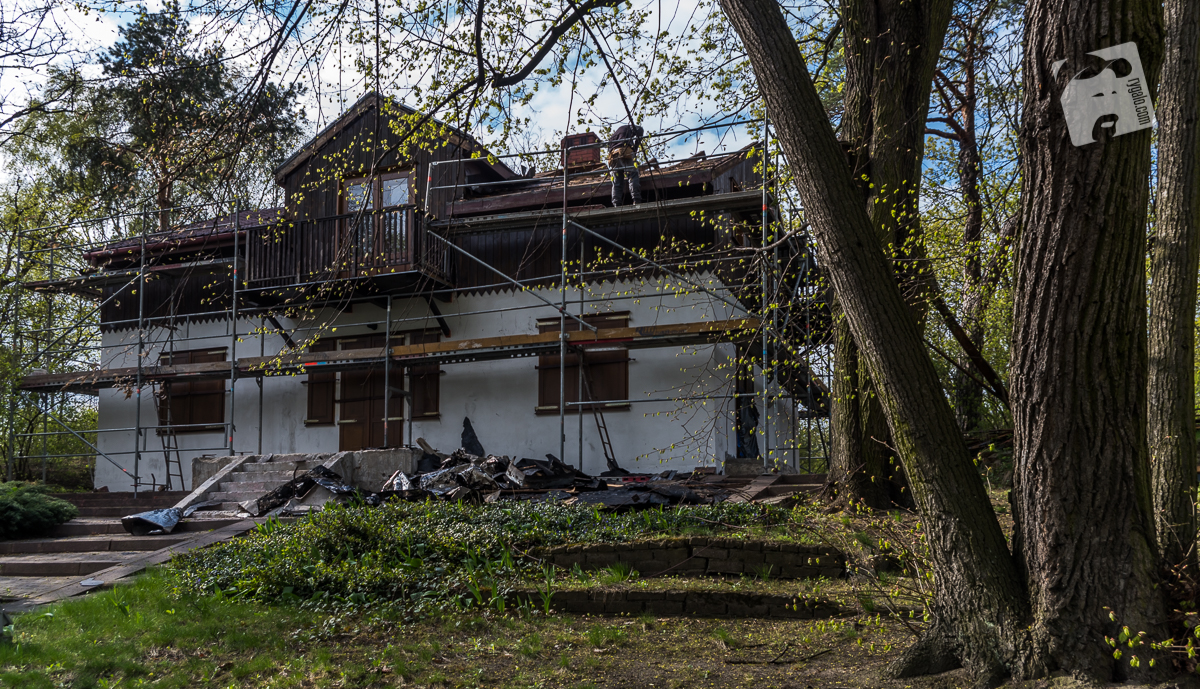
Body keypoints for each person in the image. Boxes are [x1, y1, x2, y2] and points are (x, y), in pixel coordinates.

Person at [607, 123, 644, 206]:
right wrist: (635, 148)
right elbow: (640, 130)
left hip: (613, 156)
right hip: (625, 152)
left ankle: (616, 203)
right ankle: (636, 200)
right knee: (632, 175)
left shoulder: (614, 136)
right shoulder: (629, 127)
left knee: (616, 181)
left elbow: (609, 147)